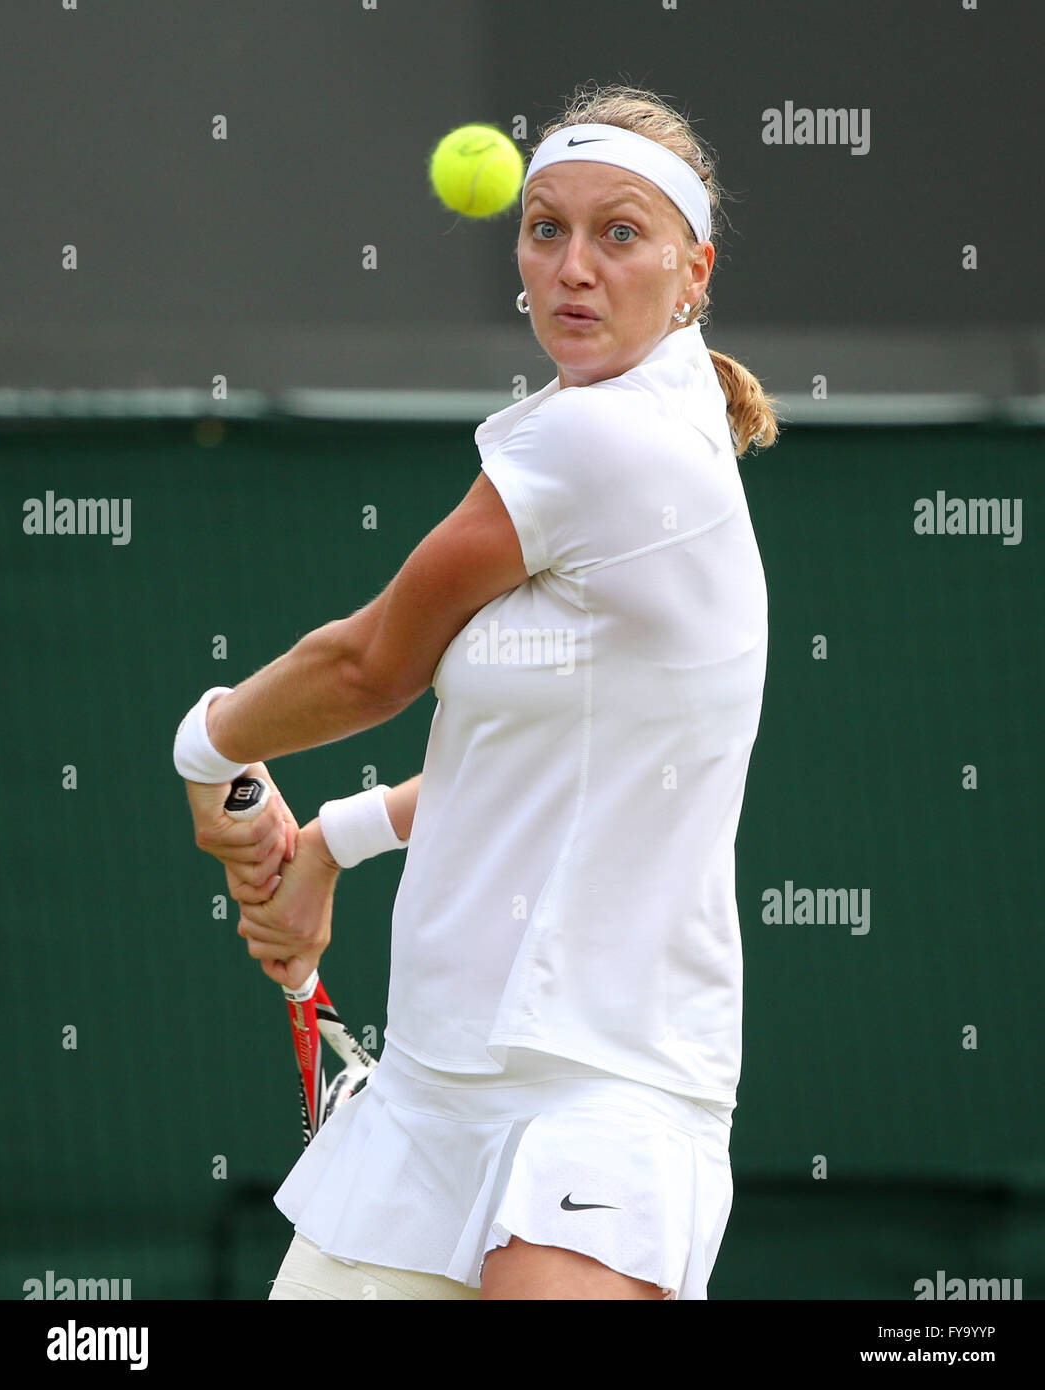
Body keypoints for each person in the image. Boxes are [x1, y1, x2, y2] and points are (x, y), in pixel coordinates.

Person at [175, 82, 780, 1301]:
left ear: (692, 270)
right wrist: (334, 840)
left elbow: (369, 665)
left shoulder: (600, 445)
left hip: (603, 1090)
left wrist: (207, 749)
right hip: (429, 1094)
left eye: (619, 234)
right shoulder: (608, 430)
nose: (572, 266)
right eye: (544, 228)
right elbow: (539, 756)